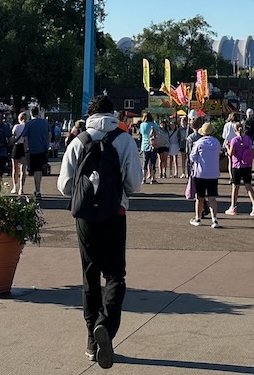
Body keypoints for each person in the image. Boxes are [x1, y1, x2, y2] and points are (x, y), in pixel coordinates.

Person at [56, 95, 143, 369]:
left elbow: (64, 185)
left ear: (90, 114)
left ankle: (92, 342)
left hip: (85, 217)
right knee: (116, 275)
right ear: (113, 113)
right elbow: (135, 184)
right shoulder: (124, 139)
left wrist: (83, 193)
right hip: (114, 214)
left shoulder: (78, 141)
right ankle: (106, 325)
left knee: (89, 274)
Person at [187, 123, 222, 228]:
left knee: (200, 198)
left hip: (201, 173)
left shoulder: (199, 143)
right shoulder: (216, 142)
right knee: (212, 198)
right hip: (213, 173)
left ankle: (198, 218)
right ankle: (214, 219)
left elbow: (192, 157)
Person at [225, 121, 254, 216]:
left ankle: (233, 206)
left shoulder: (234, 140)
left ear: (234, 130)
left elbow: (231, 153)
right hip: (247, 165)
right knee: (248, 185)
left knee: (235, 187)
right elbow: (251, 150)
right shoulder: (248, 139)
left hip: (237, 165)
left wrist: (227, 147)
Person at [21, 106, 52, 201]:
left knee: (36, 170)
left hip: (33, 150)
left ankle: (37, 190)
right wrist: (47, 144)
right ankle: (38, 189)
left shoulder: (29, 124)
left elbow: (25, 138)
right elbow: (49, 134)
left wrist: (26, 150)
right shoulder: (44, 122)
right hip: (43, 149)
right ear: (38, 112)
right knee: (39, 169)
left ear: (31, 113)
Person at [138, 112, 162, 185]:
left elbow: (141, 133)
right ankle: (153, 178)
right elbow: (159, 131)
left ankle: (144, 178)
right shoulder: (153, 124)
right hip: (153, 145)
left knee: (145, 162)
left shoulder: (142, 125)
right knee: (153, 163)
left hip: (144, 145)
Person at [9, 111, 29, 195]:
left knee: (15, 169)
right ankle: (21, 188)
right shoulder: (27, 127)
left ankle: (15, 187)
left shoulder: (16, 126)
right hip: (23, 148)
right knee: (23, 169)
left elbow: (13, 137)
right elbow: (26, 140)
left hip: (16, 147)